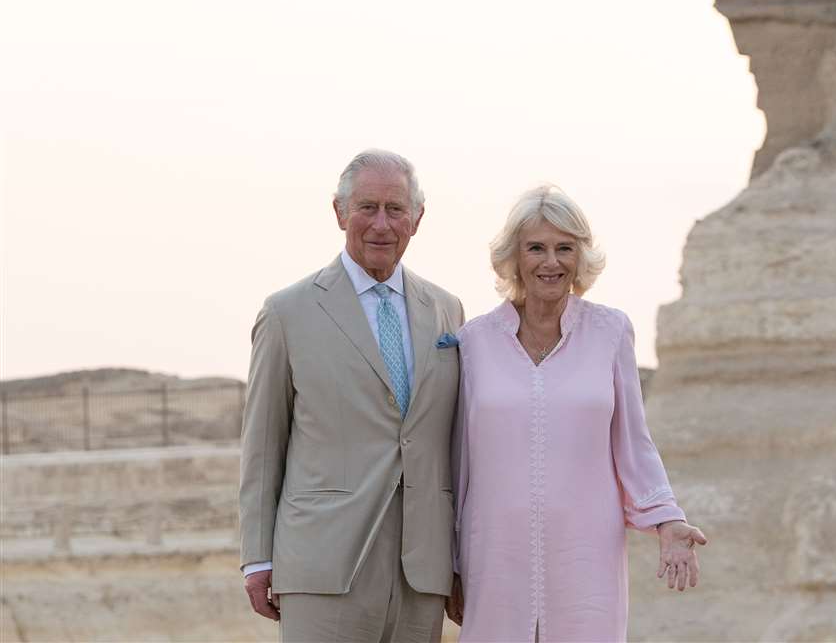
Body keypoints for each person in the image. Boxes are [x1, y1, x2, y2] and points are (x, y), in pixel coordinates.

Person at [451, 183, 706, 642]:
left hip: (586, 556)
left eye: (564, 248)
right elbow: (459, 460)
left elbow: (633, 442)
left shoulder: (611, 332)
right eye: (537, 248)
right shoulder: (473, 341)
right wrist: (447, 559)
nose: (551, 262)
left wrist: (667, 520)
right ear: (514, 256)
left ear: (580, 256)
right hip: (493, 554)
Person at [239, 149, 465, 642]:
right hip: (322, 564)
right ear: (340, 212)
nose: (381, 224)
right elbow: (262, 445)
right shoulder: (287, 313)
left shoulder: (448, 311)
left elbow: (456, 442)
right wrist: (257, 557)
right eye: (367, 207)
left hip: (421, 570)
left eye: (395, 209)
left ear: (417, 218)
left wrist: (459, 553)